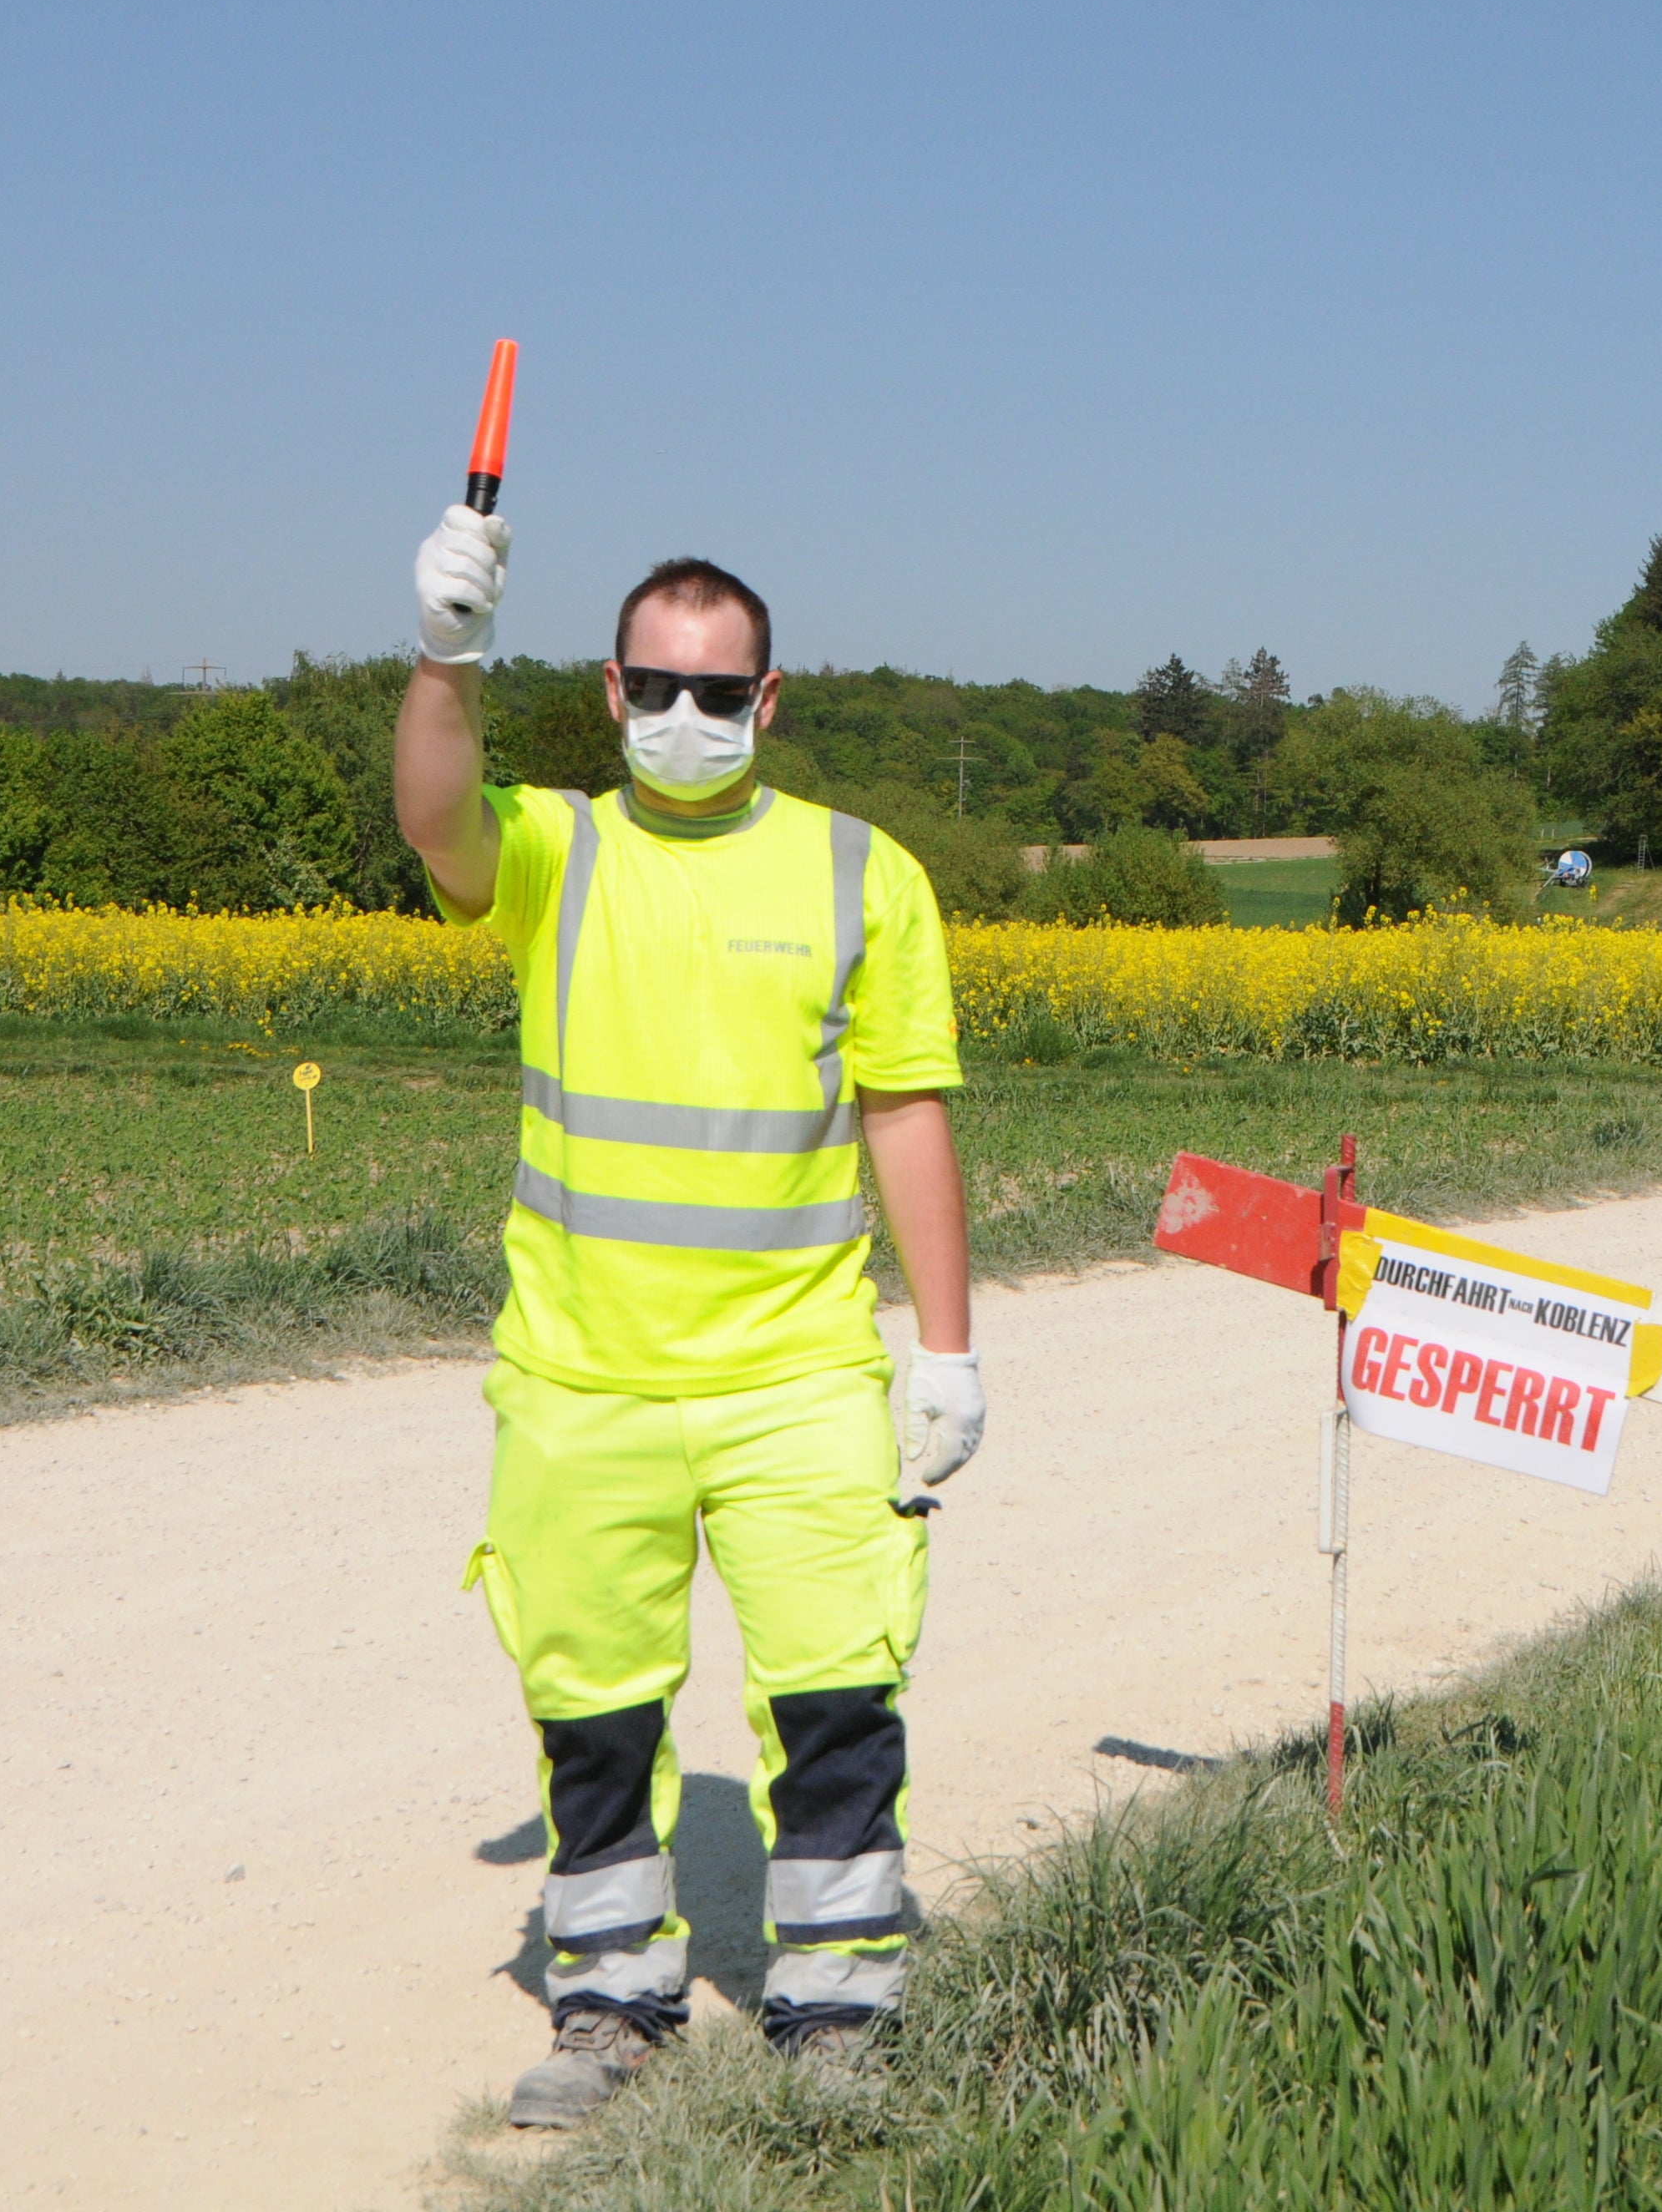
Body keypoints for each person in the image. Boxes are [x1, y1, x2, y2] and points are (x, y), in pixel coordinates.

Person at [395, 501, 986, 2128]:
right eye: (655, 685)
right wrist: (445, 652)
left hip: (798, 1375)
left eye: (717, 695)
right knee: (590, 1707)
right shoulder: (558, 848)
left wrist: (945, 1342)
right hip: (582, 1381)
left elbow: (905, 1110)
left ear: (769, 701)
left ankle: (838, 2006)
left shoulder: (863, 871)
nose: (684, 718)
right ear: (605, 688)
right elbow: (433, 814)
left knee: (837, 1699)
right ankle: (609, 2003)